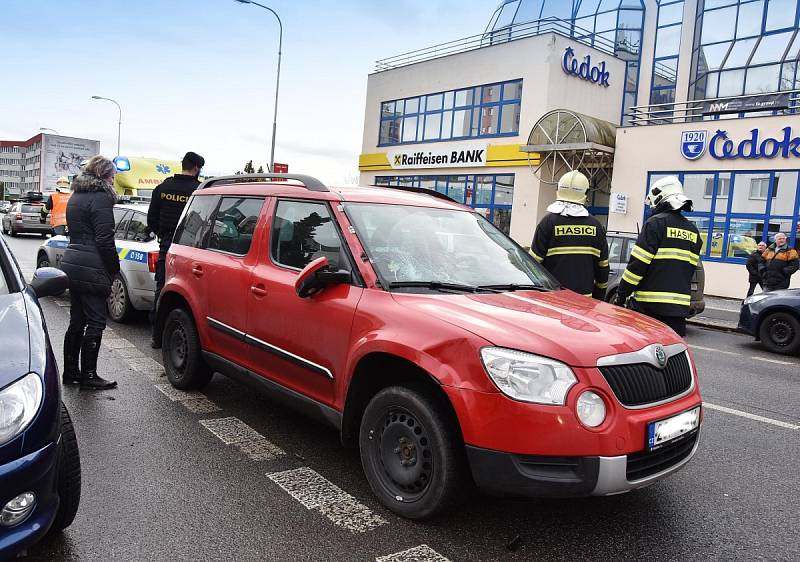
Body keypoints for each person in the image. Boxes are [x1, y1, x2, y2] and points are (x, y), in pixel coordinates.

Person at [613, 176, 702, 337]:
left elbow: (637, 266)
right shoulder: (693, 231)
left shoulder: (655, 224)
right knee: (671, 355)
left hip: (649, 309)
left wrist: (621, 294)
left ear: (659, 198)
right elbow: (688, 270)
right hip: (678, 311)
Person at [59, 156, 119, 390]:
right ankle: (89, 375)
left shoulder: (76, 195)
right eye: (113, 175)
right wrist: (114, 268)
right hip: (93, 265)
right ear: (104, 175)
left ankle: (71, 372)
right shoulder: (102, 197)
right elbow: (105, 239)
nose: (114, 180)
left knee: (77, 320)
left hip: (73, 262)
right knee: (95, 321)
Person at [147, 151, 205, 347]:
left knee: (162, 289)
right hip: (192, 249)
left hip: (167, 246)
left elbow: (151, 219)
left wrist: (163, 235)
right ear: (196, 168)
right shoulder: (199, 190)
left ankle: (156, 336)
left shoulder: (163, 188)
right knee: (190, 294)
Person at [530, 170, 609, 299]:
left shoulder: (547, 223)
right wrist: (599, 298)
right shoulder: (596, 226)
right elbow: (603, 268)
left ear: (558, 190)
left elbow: (533, 265)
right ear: (585, 193)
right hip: (584, 302)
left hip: (553, 301)